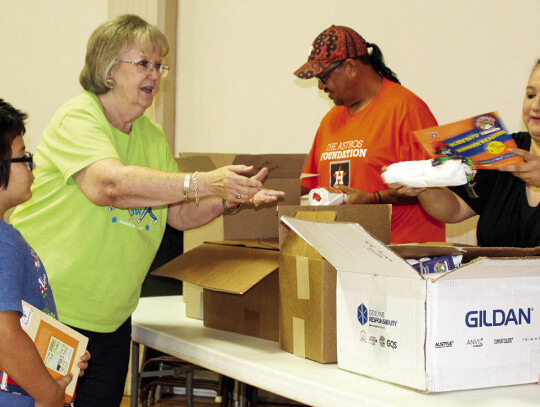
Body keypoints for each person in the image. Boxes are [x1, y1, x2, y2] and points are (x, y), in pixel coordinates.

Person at [10, 14, 284, 407]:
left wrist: (230, 198)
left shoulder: (151, 135)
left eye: (159, 66)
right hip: (52, 312)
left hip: (111, 319)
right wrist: (205, 181)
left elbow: (176, 214)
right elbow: (109, 185)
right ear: (107, 69)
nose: (155, 74)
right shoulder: (79, 116)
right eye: (143, 63)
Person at [294, 25, 445, 244]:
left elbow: (436, 185)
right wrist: (256, 189)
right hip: (350, 253)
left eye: (323, 77)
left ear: (351, 67)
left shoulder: (408, 110)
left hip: (405, 255)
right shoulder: (330, 121)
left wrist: (373, 199)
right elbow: (312, 182)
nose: (319, 86)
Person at [385, 59, 540, 247]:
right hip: (495, 275)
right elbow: (455, 209)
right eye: (531, 95)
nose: (535, 105)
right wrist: (423, 187)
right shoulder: (502, 147)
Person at [0, 99, 90, 407]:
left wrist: (63, 353)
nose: (32, 165)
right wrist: (49, 394)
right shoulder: (4, 242)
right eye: (23, 157)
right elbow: (4, 334)